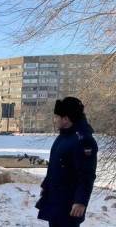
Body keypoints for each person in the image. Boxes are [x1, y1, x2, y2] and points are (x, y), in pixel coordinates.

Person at [37, 97, 98, 227]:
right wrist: (46, 185)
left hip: (69, 203)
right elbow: (57, 165)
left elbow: (87, 174)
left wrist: (81, 201)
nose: (55, 120)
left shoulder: (83, 140)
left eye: (57, 117)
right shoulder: (64, 136)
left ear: (66, 119)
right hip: (56, 198)